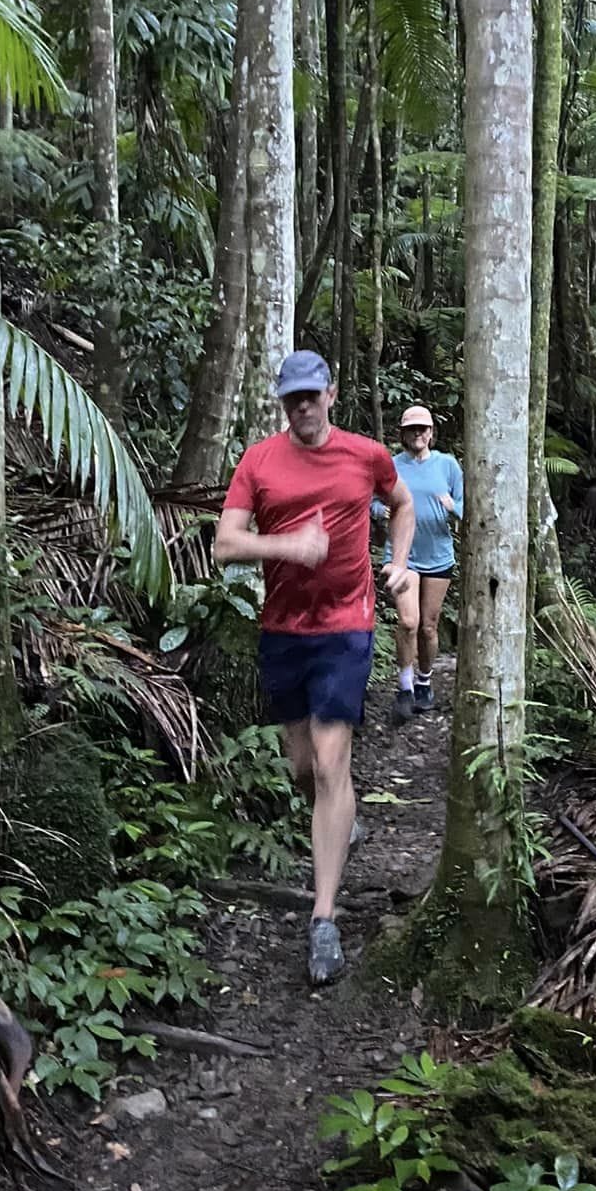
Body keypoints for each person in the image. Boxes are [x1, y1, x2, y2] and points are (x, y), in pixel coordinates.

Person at [213, 351, 415, 985]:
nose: (302, 406)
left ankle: (322, 918)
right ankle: (341, 820)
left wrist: (401, 562)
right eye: (291, 398)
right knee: (303, 768)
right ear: (283, 403)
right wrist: (288, 547)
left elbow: (403, 505)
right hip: (283, 631)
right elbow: (225, 544)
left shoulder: (366, 455)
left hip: (347, 627)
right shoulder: (260, 462)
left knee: (331, 763)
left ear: (331, 392)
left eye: (311, 394)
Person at [377, 404, 463, 725]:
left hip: (438, 555)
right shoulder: (391, 466)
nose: (418, 434)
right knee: (408, 622)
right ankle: (404, 688)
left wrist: (453, 506)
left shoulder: (448, 465)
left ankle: (424, 680)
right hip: (402, 556)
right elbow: (373, 498)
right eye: (412, 429)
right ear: (403, 433)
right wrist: (378, 511)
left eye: (423, 428)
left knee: (428, 626)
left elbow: (468, 508)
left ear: (431, 433)